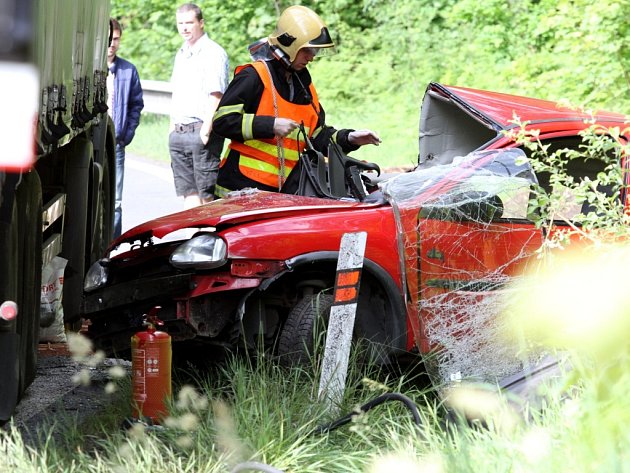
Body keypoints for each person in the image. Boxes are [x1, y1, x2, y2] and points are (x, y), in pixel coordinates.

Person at [212, 5, 381, 198]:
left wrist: (350, 138)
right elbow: (222, 121)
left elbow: (317, 136)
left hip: (282, 193)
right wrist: (270, 125)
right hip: (239, 190)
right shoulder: (254, 76)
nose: (311, 57)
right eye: (306, 50)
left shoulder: (304, 86)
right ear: (289, 45)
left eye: (313, 51)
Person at [169, 3, 229, 209]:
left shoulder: (213, 53)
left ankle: (209, 238)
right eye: (180, 23)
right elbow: (178, 93)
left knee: (207, 194)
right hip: (179, 130)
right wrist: (172, 128)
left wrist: (205, 131)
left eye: (189, 23)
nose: (184, 28)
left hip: (201, 130)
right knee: (188, 193)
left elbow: (217, 94)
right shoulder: (182, 53)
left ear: (201, 23)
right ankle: (193, 238)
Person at [107, 18, 144, 238]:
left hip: (117, 144)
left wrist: (126, 135)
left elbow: (136, 105)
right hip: (93, 138)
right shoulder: (92, 68)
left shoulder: (128, 70)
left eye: (117, 39)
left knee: (116, 202)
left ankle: (112, 249)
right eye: (109, 39)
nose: (112, 43)